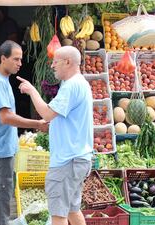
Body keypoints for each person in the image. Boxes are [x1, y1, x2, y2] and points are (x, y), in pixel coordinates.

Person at [17, 46, 93, 225]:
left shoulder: (72, 85)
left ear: (68, 62)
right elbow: (67, 119)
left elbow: (47, 113)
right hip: (77, 159)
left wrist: (32, 91)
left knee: (58, 215)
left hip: (67, 161)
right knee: (73, 210)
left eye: (55, 62)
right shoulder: (79, 83)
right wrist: (54, 126)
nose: (52, 66)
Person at [0, 40, 48, 225]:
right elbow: (6, 117)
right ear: (3, 59)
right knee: (0, 200)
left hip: (0, 147)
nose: (20, 63)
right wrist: (37, 123)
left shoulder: (0, 79)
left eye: (21, 59)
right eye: (16, 59)